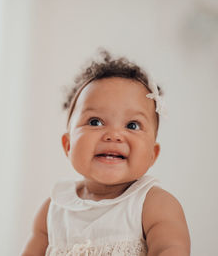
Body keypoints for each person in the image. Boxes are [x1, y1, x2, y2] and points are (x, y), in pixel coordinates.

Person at [22, 50, 190, 256]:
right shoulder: (53, 209)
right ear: (68, 145)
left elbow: (170, 249)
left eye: (132, 125)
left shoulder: (154, 205)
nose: (114, 135)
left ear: (152, 154)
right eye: (95, 122)